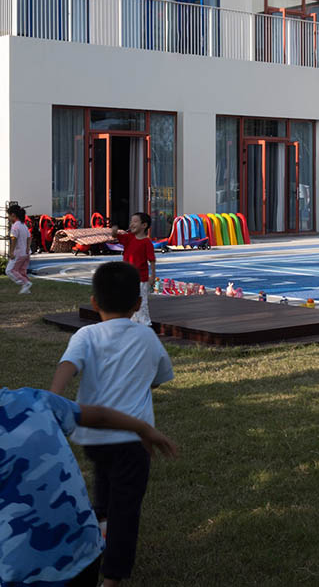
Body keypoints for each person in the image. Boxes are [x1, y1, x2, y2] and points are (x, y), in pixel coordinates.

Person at [50, 261, 174, 587]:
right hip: (133, 441)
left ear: (94, 301)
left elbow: (68, 366)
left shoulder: (86, 334)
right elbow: (160, 378)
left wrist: (52, 400)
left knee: (104, 492)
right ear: (137, 304)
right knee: (126, 509)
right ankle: (112, 578)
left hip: (92, 438)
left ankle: (97, 534)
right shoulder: (147, 338)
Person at [0, 386, 177, 587]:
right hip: (86, 552)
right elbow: (100, 415)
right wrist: (143, 428)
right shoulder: (33, 399)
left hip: (27, 575)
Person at [112, 212, 155, 326]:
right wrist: (114, 229)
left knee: (141, 301)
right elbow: (114, 236)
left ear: (144, 225)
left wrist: (152, 276)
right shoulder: (128, 238)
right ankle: (133, 320)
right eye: (131, 221)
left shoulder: (147, 242)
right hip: (127, 277)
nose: (132, 224)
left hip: (141, 278)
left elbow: (152, 260)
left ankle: (145, 323)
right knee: (128, 299)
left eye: (135, 221)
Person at [6, 205, 31, 294]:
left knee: (9, 270)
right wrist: (28, 248)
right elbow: (29, 237)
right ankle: (26, 288)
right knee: (21, 271)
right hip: (26, 253)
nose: (8, 218)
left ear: (13, 215)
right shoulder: (23, 225)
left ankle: (25, 283)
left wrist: (11, 252)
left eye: (8, 216)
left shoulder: (15, 226)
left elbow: (14, 238)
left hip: (18, 253)